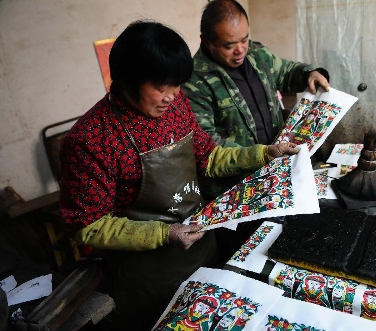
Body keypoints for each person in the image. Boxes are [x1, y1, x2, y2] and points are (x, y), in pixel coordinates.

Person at [58, 20, 297, 330]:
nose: (172, 96)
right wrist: (164, 234)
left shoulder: (176, 106)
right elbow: (88, 227)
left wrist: (265, 152)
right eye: (161, 86)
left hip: (203, 253)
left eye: (177, 85)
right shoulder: (92, 138)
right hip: (149, 277)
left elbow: (210, 159)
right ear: (128, 80)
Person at [183, 0, 331, 259]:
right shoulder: (195, 81)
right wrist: (263, 154)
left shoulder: (257, 56)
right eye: (229, 45)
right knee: (246, 257)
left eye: (244, 39)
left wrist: (309, 73)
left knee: (284, 250)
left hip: (277, 176)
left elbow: (286, 72)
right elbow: (208, 148)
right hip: (238, 194)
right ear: (206, 41)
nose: (240, 50)